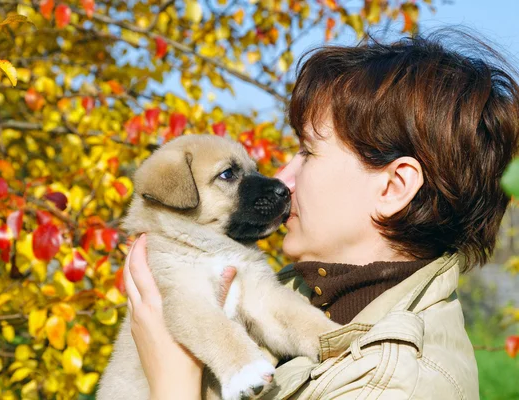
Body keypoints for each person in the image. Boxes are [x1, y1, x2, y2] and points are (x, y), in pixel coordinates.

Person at [121, 31, 519, 399]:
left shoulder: (392, 385)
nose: (282, 179)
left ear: (394, 187)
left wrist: (173, 382)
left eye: (308, 152)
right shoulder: (317, 297)